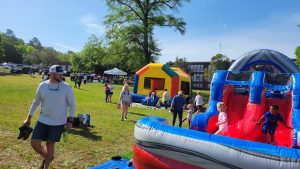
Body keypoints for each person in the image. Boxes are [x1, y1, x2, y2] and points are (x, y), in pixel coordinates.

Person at [23, 65, 76, 169]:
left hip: (58, 122)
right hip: (43, 120)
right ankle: (48, 157)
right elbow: (36, 102)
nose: (61, 76)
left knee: (50, 144)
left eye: (62, 74)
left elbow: (72, 104)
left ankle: (45, 167)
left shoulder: (66, 87)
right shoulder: (42, 85)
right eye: (58, 74)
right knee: (34, 143)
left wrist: (70, 120)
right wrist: (28, 118)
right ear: (51, 74)